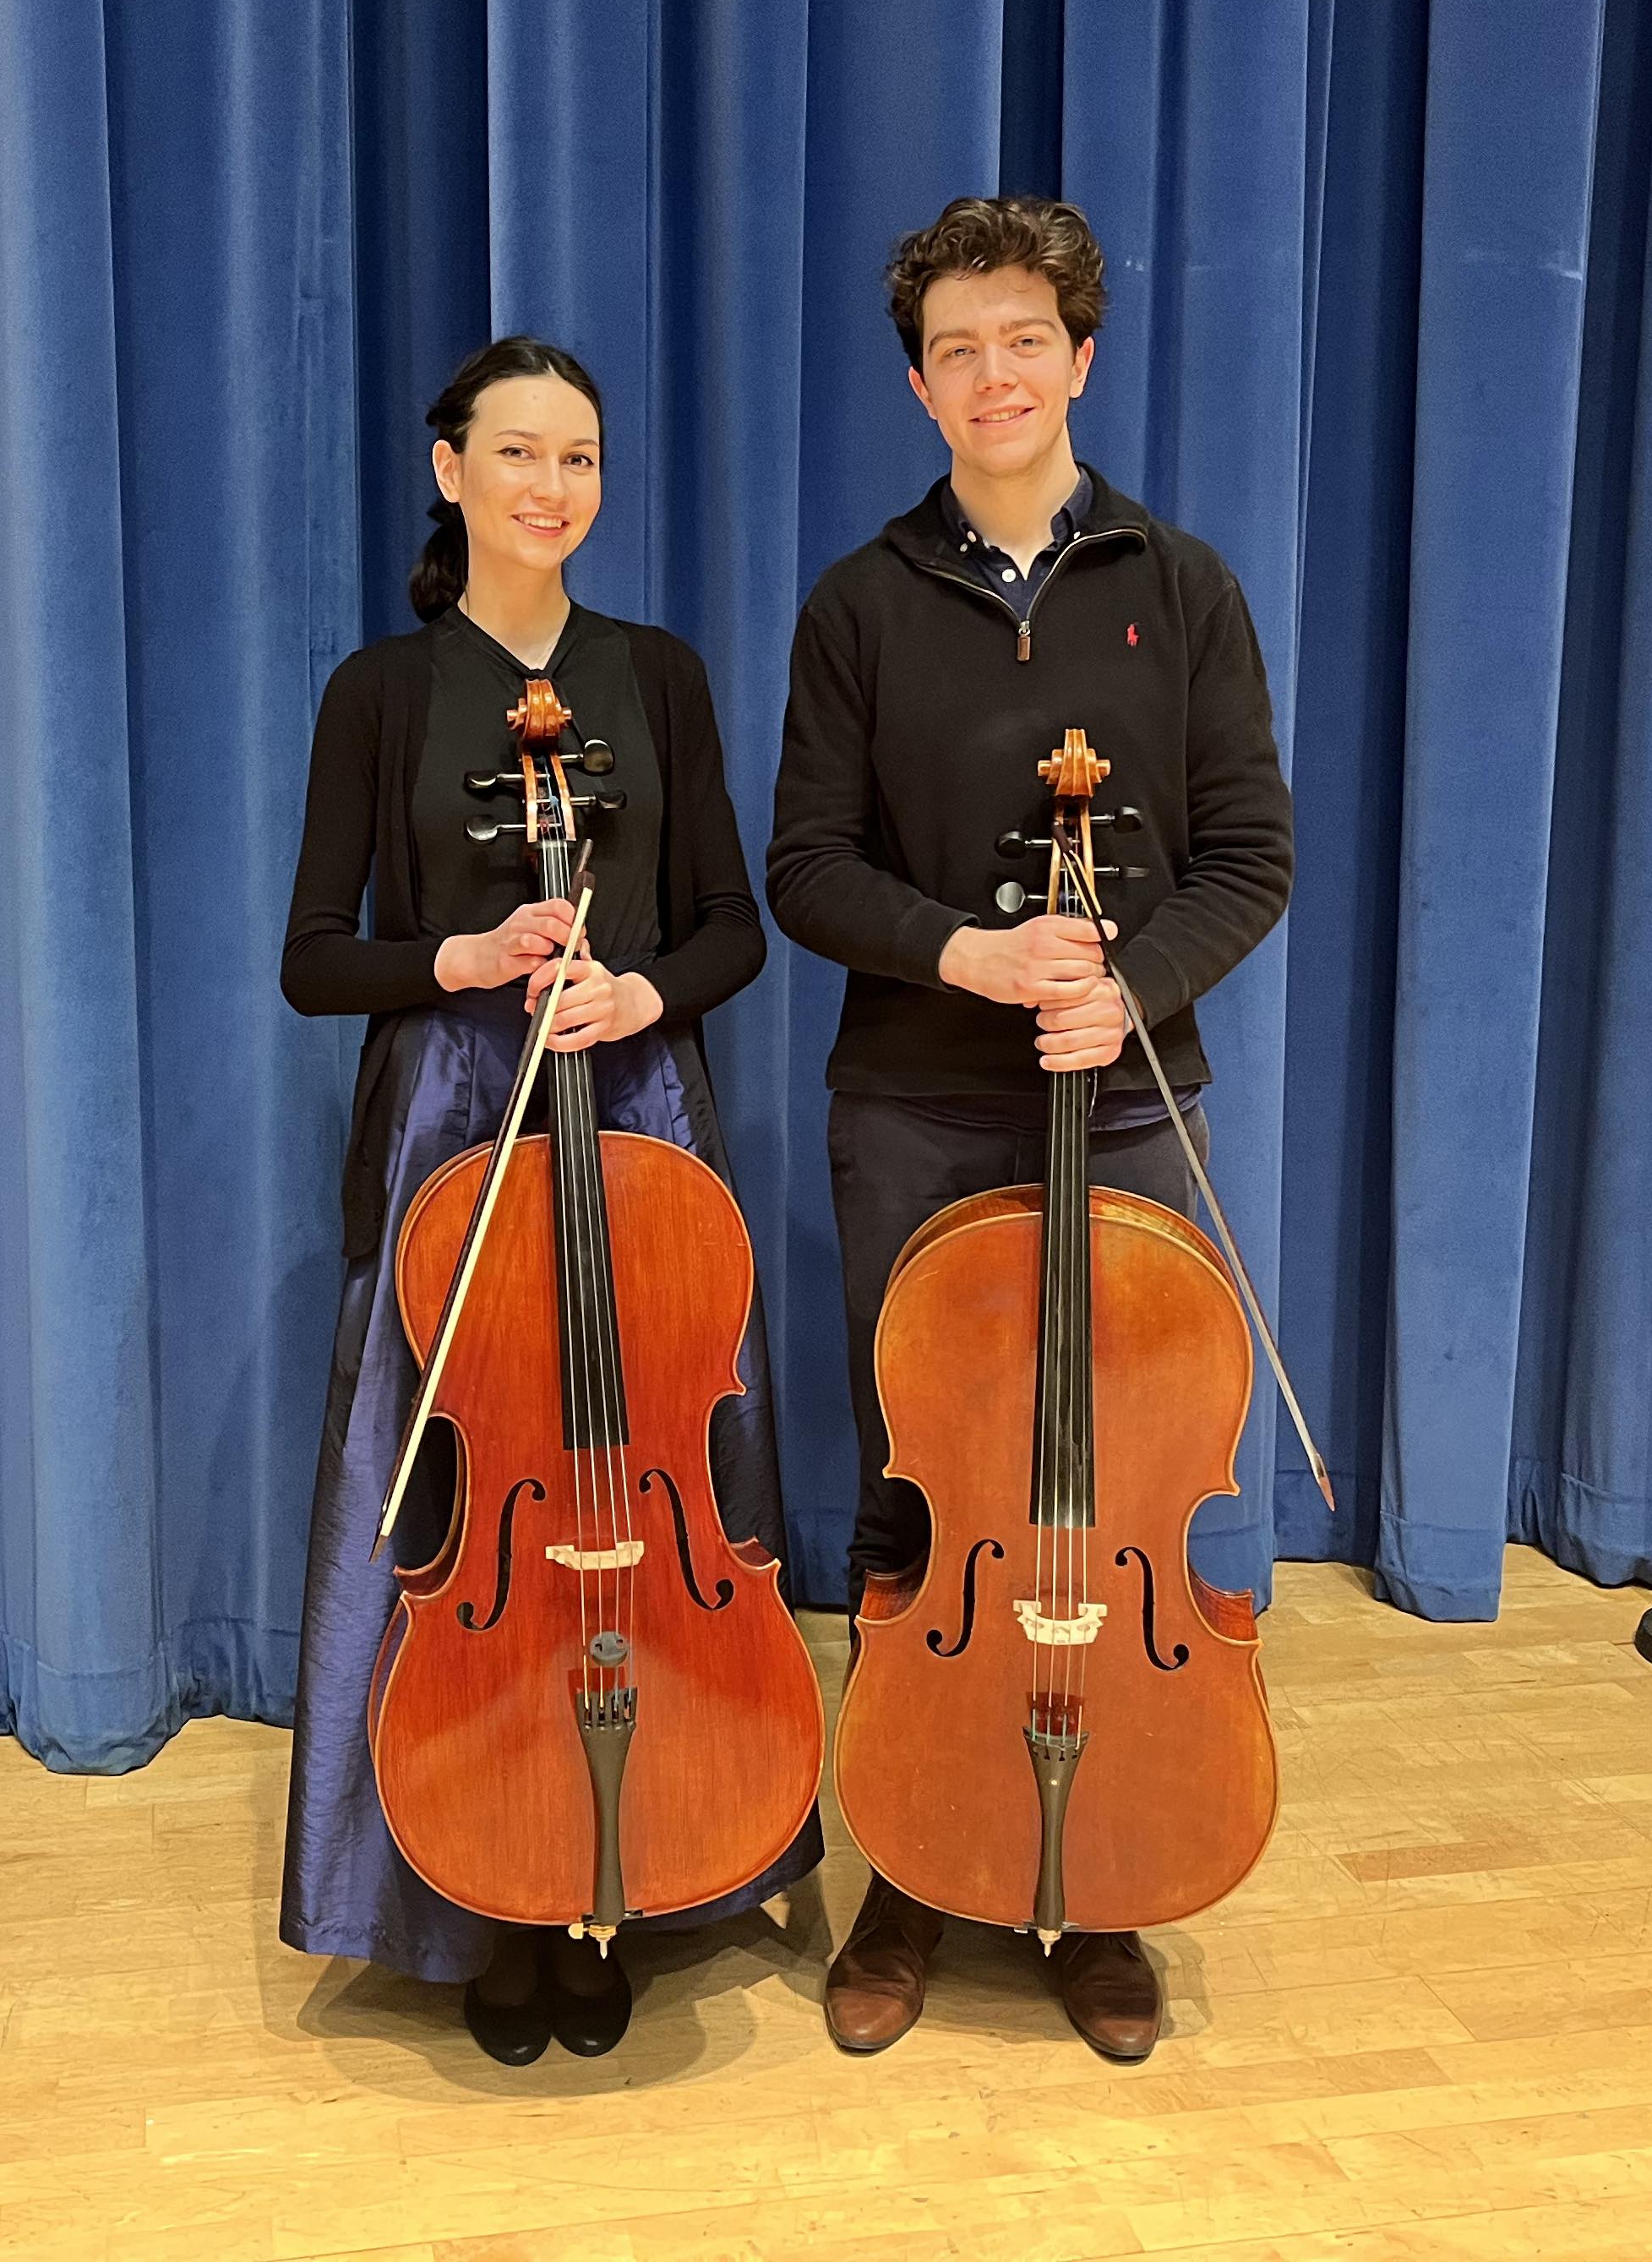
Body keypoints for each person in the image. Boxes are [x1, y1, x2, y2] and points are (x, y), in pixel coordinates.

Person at [766, 197, 1295, 2063]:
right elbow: (807, 873)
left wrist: (1128, 983)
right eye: (956, 352)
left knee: (1102, 1497)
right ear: (922, 389)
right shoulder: (858, 604)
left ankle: (1102, 1884)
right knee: (931, 1500)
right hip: (915, 1108)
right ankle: (912, 1860)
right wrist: (973, 959)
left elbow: (1250, 857)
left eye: (1024, 339)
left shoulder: (1187, 585)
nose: (994, 375)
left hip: (1132, 1114)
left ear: (1079, 355)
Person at [279, 335, 819, 2067]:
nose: (549, 485)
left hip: (637, 1118)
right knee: (465, 1517)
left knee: (650, 1501)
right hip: (459, 1129)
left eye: (577, 456)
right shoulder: (381, 691)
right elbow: (311, 960)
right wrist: (455, 952)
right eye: (516, 453)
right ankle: (473, 1900)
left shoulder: (655, 677)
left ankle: (644, 1870)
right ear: (451, 472)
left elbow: (733, 919)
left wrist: (644, 990)